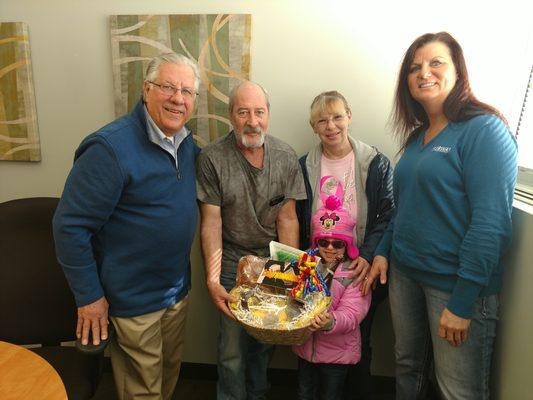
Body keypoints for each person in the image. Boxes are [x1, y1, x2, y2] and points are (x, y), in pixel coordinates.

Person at [364, 32, 518, 400]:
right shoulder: (418, 138)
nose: (424, 73)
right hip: (405, 276)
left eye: (436, 63)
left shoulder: (485, 130)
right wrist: (383, 251)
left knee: (457, 391)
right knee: (407, 369)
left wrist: (463, 301)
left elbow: (490, 225)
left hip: (455, 286)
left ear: (458, 72)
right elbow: (405, 208)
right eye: (414, 67)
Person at [53, 53, 201, 400]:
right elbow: (69, 226)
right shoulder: (110, 148)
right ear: (146, 89)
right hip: (133, 301)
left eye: (187, 91)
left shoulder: (187, 143)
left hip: (175, 292)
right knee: (141, 392)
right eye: (168, 87)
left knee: (166, 379)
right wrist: (89, 297)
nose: (178, 98)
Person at [196, 81, 306, 400]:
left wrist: (291, 276)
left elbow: (287, 219)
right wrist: (213, 279)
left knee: (264, 343)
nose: (252, 121)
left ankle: (257, 394)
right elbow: (211, 222)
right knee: (232, 350)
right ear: (231, 115)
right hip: (232, 262)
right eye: (243, 112)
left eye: (259, 112)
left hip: (271, 263)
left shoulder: (285, 156)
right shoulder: (212, 158)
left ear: (268, 115)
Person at [297, 90, 394, 399]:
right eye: (322, 120)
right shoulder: (304, 165)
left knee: (357, 342)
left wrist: (367, 255)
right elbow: (297, 217)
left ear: (349, 116)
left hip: (358, 270)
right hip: (318, 271)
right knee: (314, 337)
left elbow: (389, 214)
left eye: (337, 116)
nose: (331, 125)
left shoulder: (375, 163)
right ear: (313, 126)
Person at [293, 176, 371, 400]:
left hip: (337, 354)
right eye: (322, 242)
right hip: (306, 350)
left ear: (346, 245)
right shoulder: (307, 266)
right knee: (304, 393)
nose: (329, 248)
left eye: (337, 243)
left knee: (331, 395)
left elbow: (354, 313)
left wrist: (331, 322)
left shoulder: (354, 273)